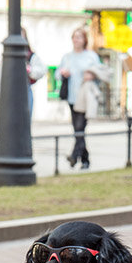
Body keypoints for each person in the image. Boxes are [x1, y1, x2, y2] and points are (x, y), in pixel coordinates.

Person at [56, 27, 103, 170]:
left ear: (84, 40)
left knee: (79, 127)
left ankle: (74, 155)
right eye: (74, 37)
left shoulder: (91, 56)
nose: (76, 40)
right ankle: (85, 159)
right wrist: (63, 73)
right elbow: (57, 74)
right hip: (72, 97)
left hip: (85, 97)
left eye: (79, 37)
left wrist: (92, 76)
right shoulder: (67, 57)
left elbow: (100, 73)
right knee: (77, 129)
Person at [21, 27, 45, 121]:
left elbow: (42, 70)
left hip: (25, 90)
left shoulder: (30, 56)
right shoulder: (7, 55)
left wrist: (29, 70)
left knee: (25, 121)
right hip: (10, 91)